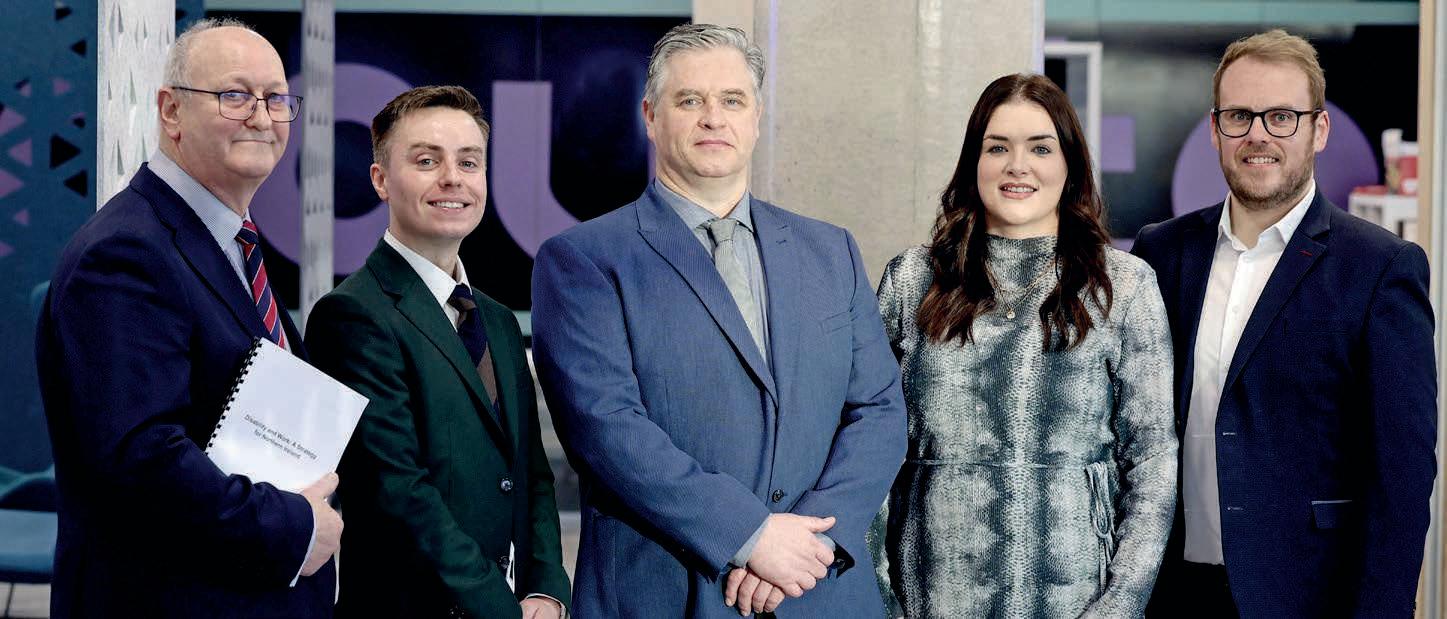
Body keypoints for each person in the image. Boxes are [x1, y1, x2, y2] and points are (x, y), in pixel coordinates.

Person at [530, 23, 907, 618]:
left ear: (756, 118)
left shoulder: (829, 251)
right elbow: (606, 429)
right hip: (668, 592)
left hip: (820, 588)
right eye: (690, 100)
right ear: (650, 117)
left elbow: (879, 410)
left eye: (732, 100)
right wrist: (752, 536)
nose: (713, 118)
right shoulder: (584, 259)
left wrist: (811, 543)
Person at [35, 18, 340, 618]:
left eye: (276, 98)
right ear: (171, 111)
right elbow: (141, 462)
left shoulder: (228, 242)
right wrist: (295, 526)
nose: (262, 116)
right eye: (235, 95)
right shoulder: (125, 253)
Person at [1134, 30, 1436, 617]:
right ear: (1215, 128)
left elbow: (1400, 479)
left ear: (1318, 130)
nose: (1258, 136)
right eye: (1239, 116)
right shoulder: (1161, 253)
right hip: (1170, 594)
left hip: (1306, 597)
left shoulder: (1379, 268)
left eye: (1281, 117)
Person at [873, 73, 1177, 618]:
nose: (1018, 166)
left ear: (1070, 165)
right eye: (998, 148)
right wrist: (881, 602)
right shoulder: (912, 279)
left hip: (1075, 598)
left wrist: (1119, 606)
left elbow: (1152, 458)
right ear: (974, 163)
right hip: (931, 595)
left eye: (1040, 148)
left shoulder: (1125, 286)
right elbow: (869, 448)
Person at [305, 86, 570, 619]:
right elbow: (397, 491)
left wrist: (547, 589)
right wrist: (501, 609)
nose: (453, 178)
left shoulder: (497, 320)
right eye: (427, 161)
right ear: (381, 179)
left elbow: (531, 473)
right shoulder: (353, 316)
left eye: (468, 162)